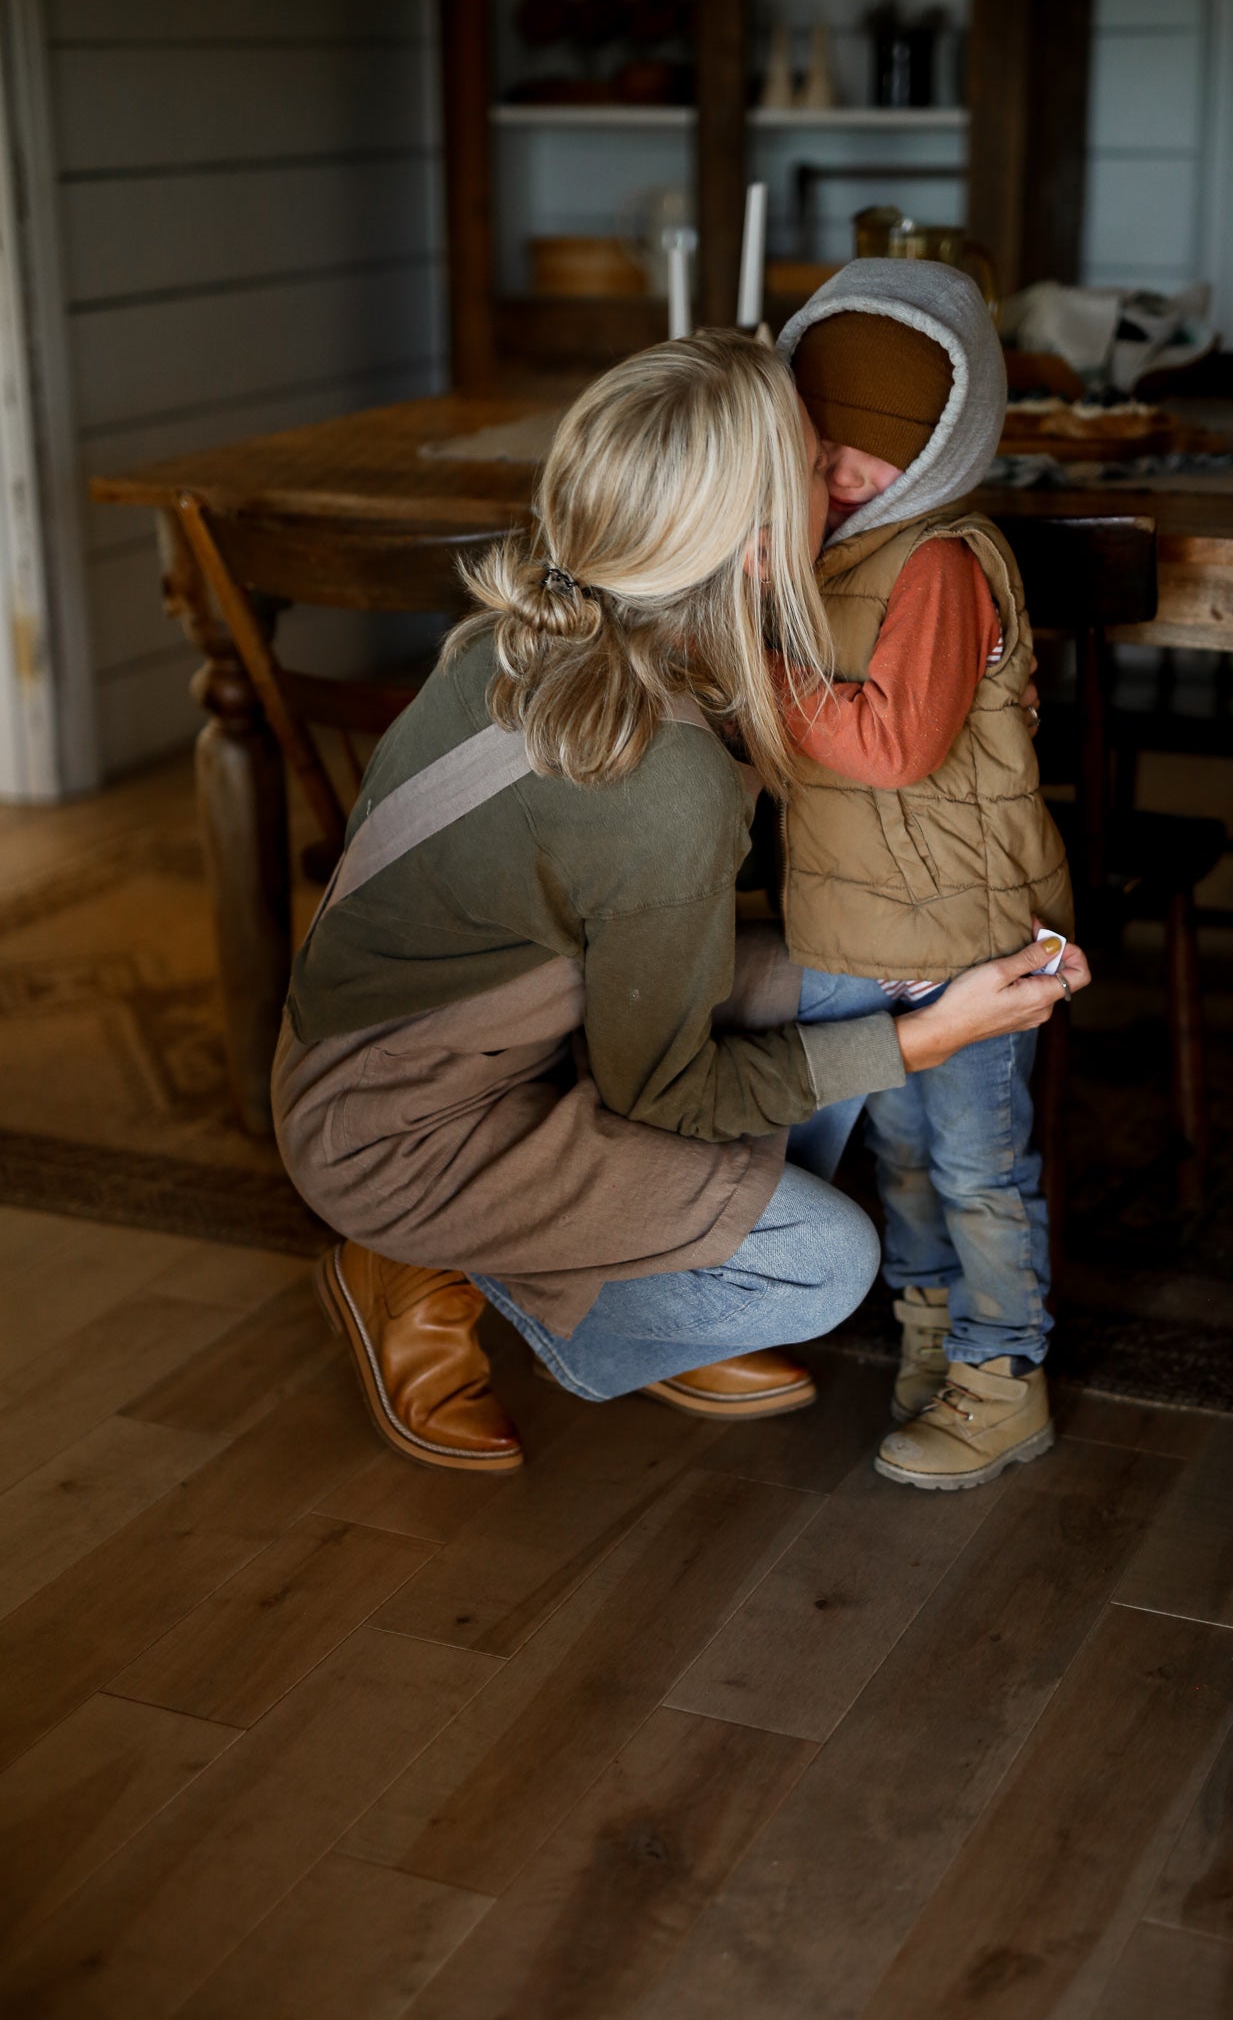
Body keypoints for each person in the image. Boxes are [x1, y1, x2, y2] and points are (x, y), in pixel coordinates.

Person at [273, 329, 1087, 1476]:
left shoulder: (545, 627)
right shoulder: (667, 780)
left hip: (459, 1044)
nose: (840, 481)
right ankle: (431, 1260)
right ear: (754, 545)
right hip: (396, 1134)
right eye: (817, 463)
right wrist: (929, 1035)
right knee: (824, 1264)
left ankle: (637, 1244)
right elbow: (666, 1089)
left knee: (842, 964)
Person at [776, 259, 1081, 1492]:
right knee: (898, 1152)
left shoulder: (938, 563)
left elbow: (895, 747)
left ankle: (1004, 1372)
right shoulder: (828, 552)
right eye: (824, 445)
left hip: (966, 936)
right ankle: (932, 1330)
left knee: (974, 1160)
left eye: (877, 456)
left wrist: (764, 668)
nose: (844, 474)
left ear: (950, 451)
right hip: (863, 926)